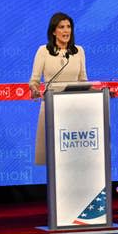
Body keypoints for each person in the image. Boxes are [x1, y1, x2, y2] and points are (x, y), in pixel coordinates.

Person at [29, 12, 87, 165]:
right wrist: (35, 91)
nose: (66, 31)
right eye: (61, 27)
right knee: (53, 157)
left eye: (68, 27)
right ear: (53, 31)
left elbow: (83, 80)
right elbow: (34, 82)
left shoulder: (79, 51)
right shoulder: (43, 51)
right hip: (51, 107)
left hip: (74, 109)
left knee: (73, 158)